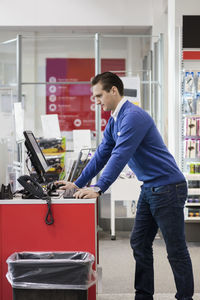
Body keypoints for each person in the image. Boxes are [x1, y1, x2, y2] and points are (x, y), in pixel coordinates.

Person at [57, 72, 194, 300]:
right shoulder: (115, 120)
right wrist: (77, 183)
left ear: (113, 90)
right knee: (139, 243)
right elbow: (102, 155)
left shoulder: (133, 117)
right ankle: (143, 295)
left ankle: (185, 297)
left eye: (99, 95)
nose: (96, 101)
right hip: (150, 188)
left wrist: (100, 187)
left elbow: (119, 156)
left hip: (169, 188)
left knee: (175, 250)